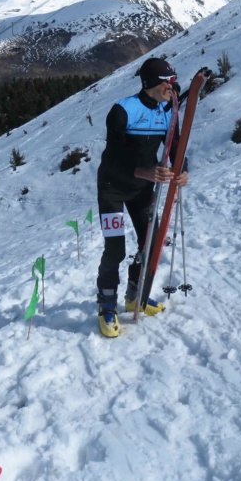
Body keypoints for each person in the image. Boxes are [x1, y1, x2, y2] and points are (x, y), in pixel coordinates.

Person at [95, 58, 189, 338]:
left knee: (151, 243)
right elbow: (112, 157)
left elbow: (175, 144)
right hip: (112, 187)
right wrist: (143, 171)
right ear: (149, 83)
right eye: (165, 82)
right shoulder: (123, 110)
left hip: (142, 189)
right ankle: (106, 305)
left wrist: (182, 170)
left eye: (172, 81)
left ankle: (135, 296)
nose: (170, 87)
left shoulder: (168, 110)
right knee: (115, 249)